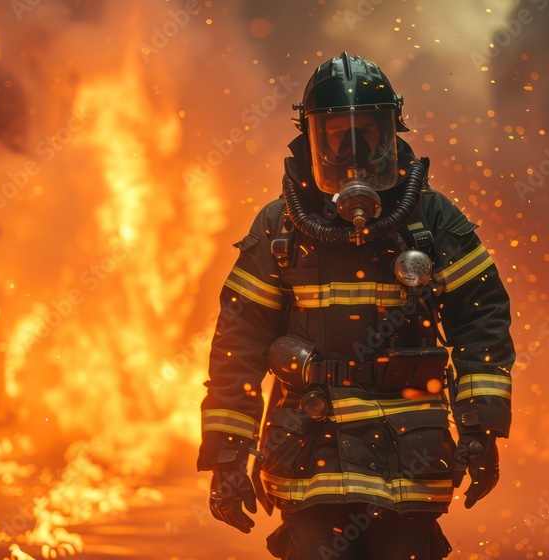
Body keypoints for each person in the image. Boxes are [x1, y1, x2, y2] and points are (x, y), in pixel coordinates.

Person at [197, 52, 516, 560]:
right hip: (310, 455)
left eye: (367, 131)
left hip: (409, 458)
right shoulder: (282, 228)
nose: (352, 148)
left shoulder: (430, 219)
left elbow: (482, 320)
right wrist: (228, 454)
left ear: (391, 131)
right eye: (336, 133)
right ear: (311, 137)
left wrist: (481, 427)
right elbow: (238, 344)